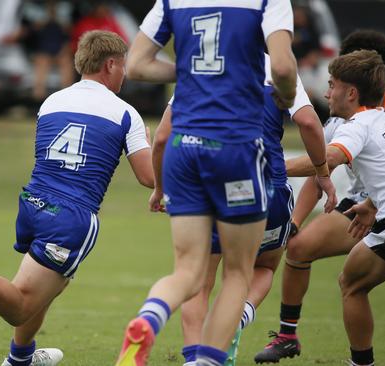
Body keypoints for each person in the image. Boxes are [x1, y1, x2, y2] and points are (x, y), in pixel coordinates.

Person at [114, 1, 337, 365]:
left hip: (184, 151)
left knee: (189, 272)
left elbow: (136, 65)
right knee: (238, 272)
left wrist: (190, 72)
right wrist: (283, 89)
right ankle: (209, 360)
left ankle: (148, 319)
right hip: (235, 151)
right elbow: (282, 66)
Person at [0, 30, 153, 366]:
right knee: (21, 306)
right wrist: (154, 145)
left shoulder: (51, 101)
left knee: (53, 285)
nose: (125, 74)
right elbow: (148, 177)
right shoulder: (124, 112)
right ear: (111, 65)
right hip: (71, 216)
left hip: (32, 203)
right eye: (123, 66)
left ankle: (20, 358)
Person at [255, 30, 385, 364]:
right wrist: (373, 204)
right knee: (305, 251)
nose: (326, 92)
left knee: (351, 283)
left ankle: (361, 362)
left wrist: (272, 166)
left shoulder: (363, 123)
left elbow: (326, 160)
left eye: (332, 85)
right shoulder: (379, 121)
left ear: (352, 91)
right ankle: (290, 337)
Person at [174, 54, 324, 366]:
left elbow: (164, 133)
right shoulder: (279, 68)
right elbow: (309, 121)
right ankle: (238, 317)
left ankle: (193, 358)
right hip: (270, 190)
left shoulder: (203, 67)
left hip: (216, 189)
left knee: (200, 278)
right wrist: (322, 171)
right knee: (264, 267)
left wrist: (163, 187)